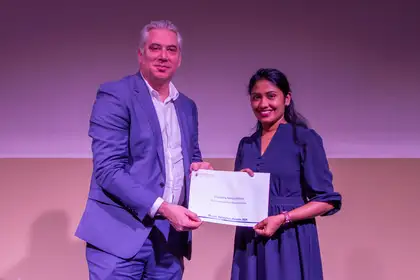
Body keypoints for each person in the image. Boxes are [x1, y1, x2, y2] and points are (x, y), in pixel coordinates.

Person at [75, 20, 212, 279]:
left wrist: (201, 172)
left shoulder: (187, 107)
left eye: (171, 50)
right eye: (155, 48)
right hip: (118, 238)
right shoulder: (115, 95)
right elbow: (108, 170)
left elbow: (191, 158)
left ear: (179, 58)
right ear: (141, 54)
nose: (163, 56)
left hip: (169, 241)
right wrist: (163, 207)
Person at [230, 68, 342, 280]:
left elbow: (326, 200)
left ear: (287, 98)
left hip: (290, 238)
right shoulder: (246, 145)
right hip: (251, 240)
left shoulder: (304, 139)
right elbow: (236, 202)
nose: (263, 104)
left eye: (271, 96)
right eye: (256, 97)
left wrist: (283, 218)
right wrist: (236, 184)